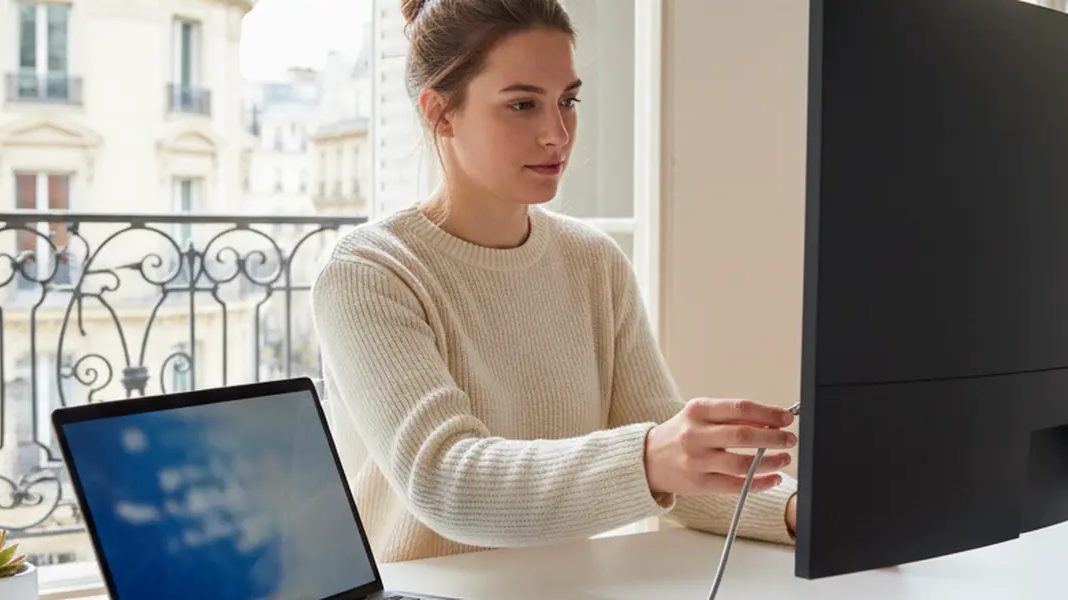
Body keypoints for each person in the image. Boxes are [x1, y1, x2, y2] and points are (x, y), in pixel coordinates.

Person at [310, 0, 800, 563]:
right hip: (424, 590)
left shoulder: (593, 261)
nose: (557, 133)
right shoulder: (369, 272)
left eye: (568, 100)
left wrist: (798, 512)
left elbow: (682, 478)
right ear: (440, 113)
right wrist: (650, 456)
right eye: (522, 104)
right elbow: (445, 481)